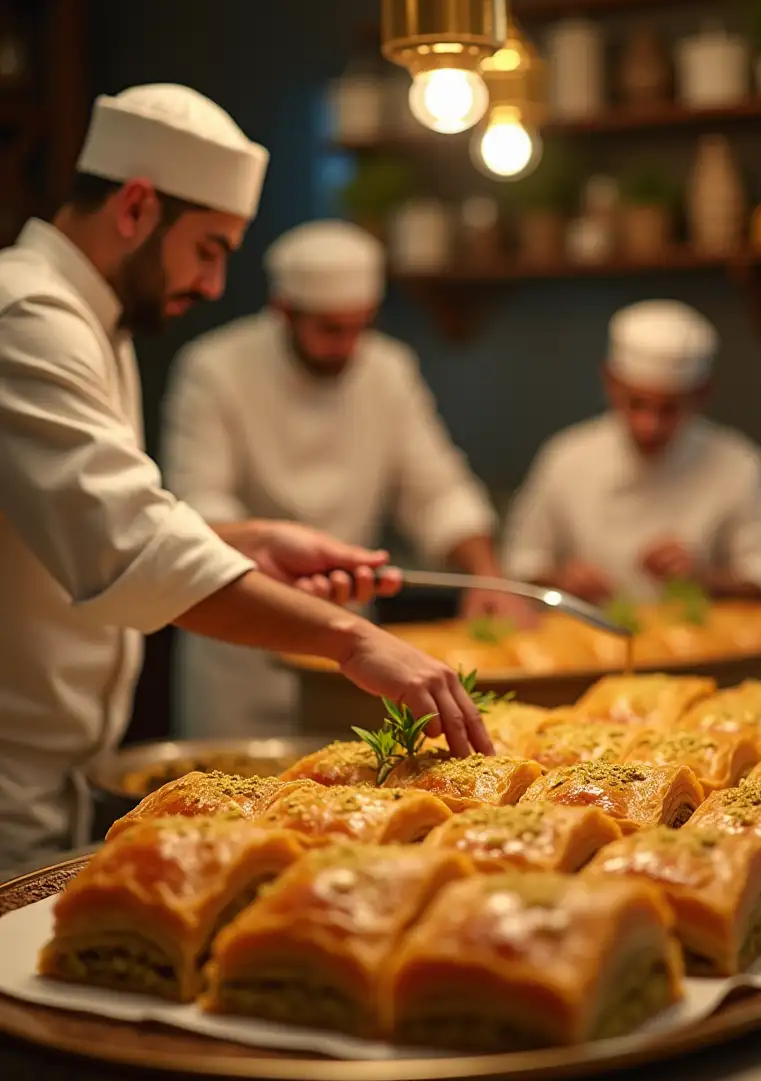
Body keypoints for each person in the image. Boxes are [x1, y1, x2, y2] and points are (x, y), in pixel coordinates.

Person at [0, 84, 490, 876]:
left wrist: (248, 540)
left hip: (52, 770)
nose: (217, 284)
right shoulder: (27, 315)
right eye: (210, 248)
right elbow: (131, 549)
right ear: (135, 208)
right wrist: (352, 637)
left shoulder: (88, 320)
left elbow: (85, 525)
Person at [162, 219, 533, 739]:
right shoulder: (213, 369)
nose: (347, 346)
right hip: (239, 651)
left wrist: (486, 575)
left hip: (352, 656)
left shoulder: (388, 369)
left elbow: (437, 489)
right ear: (283, 311)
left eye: (360, 327)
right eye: (330, 330)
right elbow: (199, 506)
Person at [502, 299, 761, 606]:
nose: (649, 426)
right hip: (587, 643)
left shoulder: (740, 465)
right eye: (636, 404)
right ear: (609, 383)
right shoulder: (565, 459)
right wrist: (561, 582)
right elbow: (519, 565)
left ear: (702, 394)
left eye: (669, 409)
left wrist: (705, 580)